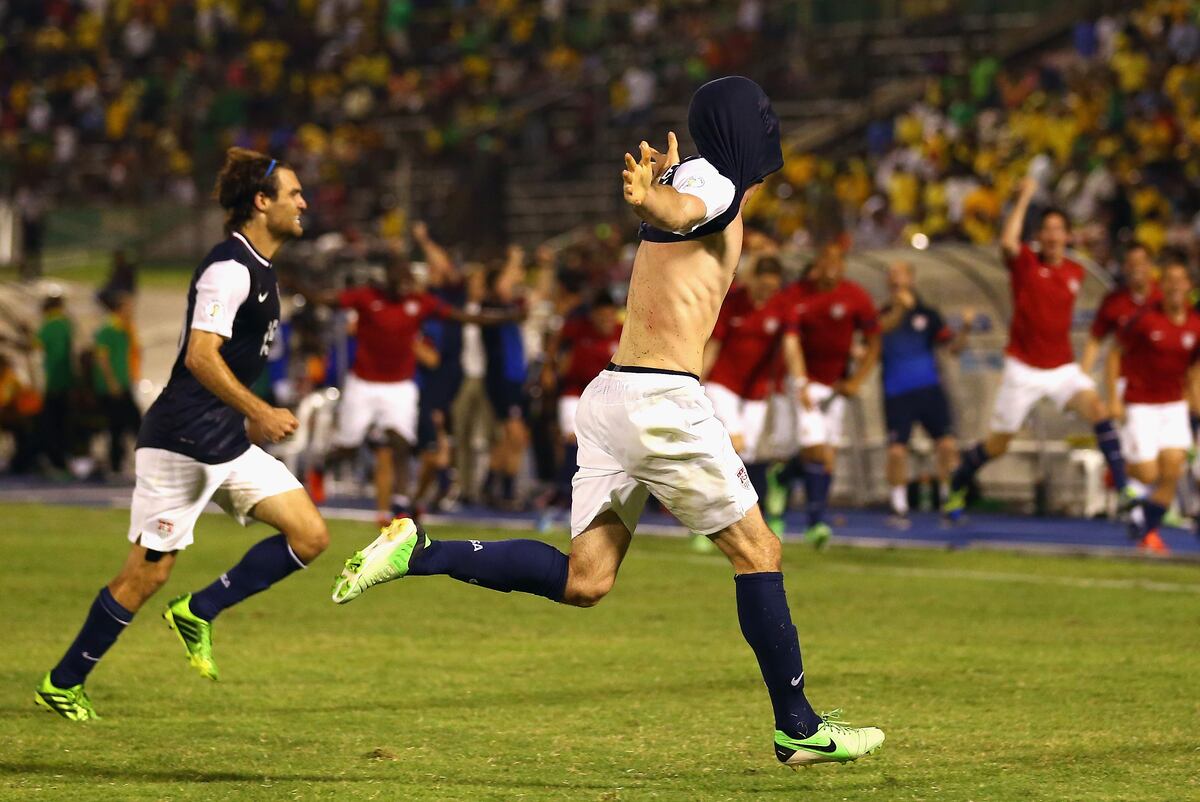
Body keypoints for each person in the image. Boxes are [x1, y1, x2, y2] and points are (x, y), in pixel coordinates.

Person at [331, 76, 884, 767]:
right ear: (748, 126)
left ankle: (422, 552)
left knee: (586, 582)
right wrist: (658, 195)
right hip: (659, 402)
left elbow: (682, 209)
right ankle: (797, 726)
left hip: (611, 396)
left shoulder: (702, 175)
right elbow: (686, 211)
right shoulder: (717, 186)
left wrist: (663, 185)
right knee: (759, 554)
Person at [36, 148, 330, 721]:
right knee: (146, 573)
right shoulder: (230, 268)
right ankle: (63, 681)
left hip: (223, 442)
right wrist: (258, 410)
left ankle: (199, 610)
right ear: (260, 203)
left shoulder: (264, 270)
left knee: (309, 534)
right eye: (293, 193)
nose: (304, 202)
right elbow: (200, 356)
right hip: (180, 443)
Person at [944, 177, 1129, 520]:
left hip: (1061, 368)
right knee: (998, 445)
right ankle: (958, 482)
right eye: (1048, 230)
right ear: (1040, 236)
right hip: (1024, 368)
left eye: (1060, 230)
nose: (1054, 235)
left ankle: (1124, 487)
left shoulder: (1075, 271)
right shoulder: (1027, 264)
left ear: (1067, 236)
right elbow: (1007, 242)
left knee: (1099, 411)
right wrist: (1025, 196)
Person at [768, 241, 880, 547]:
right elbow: (790, 342)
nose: (831, 270)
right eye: (825, 262)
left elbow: (874, 341)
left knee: (826, 457)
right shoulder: (797, 295)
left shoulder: (855, 296)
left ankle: (798, 499)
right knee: (817, 448)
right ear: (817, 264)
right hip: (804, 381)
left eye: (836, 263)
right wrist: (801, 382)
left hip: (836, 386)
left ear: (843, 266)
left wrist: (857, 380)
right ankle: (813, 518)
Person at [1111, 261, 1200, 555]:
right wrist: (1114, 396)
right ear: (1161, 286)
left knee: (1173, 469)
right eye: (1169, 280)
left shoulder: (1195, 324)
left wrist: (1195, 400)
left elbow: (1194, 367)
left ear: (1189, 286)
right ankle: (1118, 473)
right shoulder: (1145, 320)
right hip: (1141, 404)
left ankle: (1148, 532)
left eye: (1180, 280)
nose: (1175, 286)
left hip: (1174, 405)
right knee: (1149, 475)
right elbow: (1115, 353)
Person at [701, 256, 796, 529]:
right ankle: (718, 518)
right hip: (723, 383)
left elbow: (791, 346)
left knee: (749, 456)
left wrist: (797, 382)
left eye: (772, 287)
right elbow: (715, 344)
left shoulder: (782, 306)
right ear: (753, 279)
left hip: (757, 390)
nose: (766, 292)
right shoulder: (732, 302)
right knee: (735, 445)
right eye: (762, 285)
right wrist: (695, 380)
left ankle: (754, 509)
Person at [877, 261, 971, 525]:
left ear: (911, 279)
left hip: (928, 389)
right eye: (892, 275)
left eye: (901, 274)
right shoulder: (881, 315)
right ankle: (898, 506)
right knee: (896, 450)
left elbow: (952, 348)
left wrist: (965, 329)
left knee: (947, 445)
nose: (896, 280)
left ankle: (950, 501)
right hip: (896, 392)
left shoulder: (928, 314)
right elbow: (872, 343)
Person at [537, 289, 622, 531]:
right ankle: (558, 500)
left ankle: (583, 502)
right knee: (574, 442)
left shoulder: (623, 333)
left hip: (607, 399)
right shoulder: (577, 328)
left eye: (609, 316)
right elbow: (554, 342)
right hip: (575, 393)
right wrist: (548, 369)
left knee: (604, 452)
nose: (606, 321)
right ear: (594, 315)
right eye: (601, 316)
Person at [92, 292, 142, 475]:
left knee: (122, 426)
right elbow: (102, 358)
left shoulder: (125, 328)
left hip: (123, 383)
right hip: (112, 387)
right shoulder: (108, 329)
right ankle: (117, 464)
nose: (131, 310)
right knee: (126, 424)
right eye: (128, 306)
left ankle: (118, 464)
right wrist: (111, 382)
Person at [34, 294, 75, 473]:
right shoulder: (67, 324)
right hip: (66, 380)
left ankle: (55, 460)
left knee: (51, 425)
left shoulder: (50, 325)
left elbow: (36, 347)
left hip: (53, 382)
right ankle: (62, 459)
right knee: (63, 423)